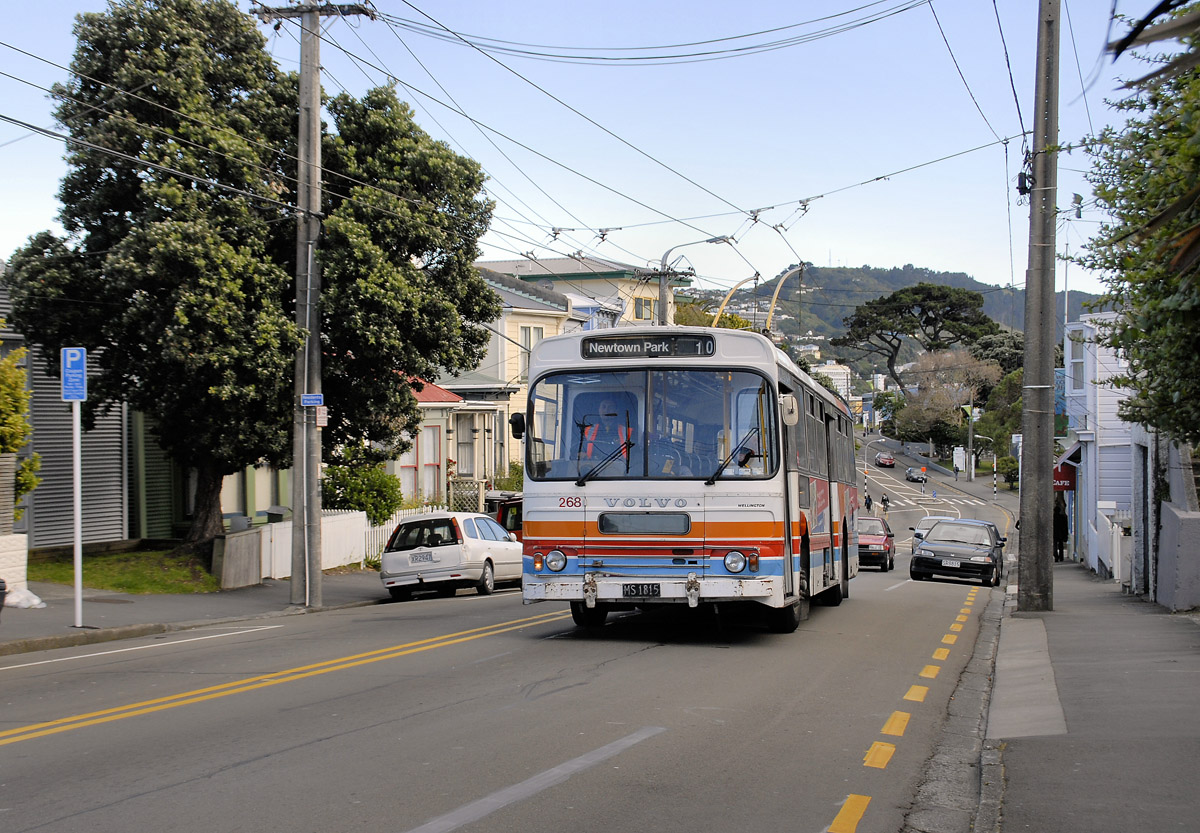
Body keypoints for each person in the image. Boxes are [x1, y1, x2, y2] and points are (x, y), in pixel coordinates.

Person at [1053, 495, 1068, 562]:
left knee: (1055, 545)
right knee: (1061, 545)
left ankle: (1056, 556)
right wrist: (1066, 534)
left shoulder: (1053, 518)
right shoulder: (1063, 517)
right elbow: (1065, 526)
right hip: (1061, 533)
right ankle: (1061, 557)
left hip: (1055, 533)